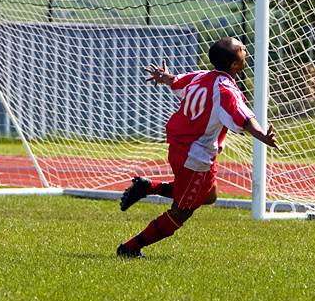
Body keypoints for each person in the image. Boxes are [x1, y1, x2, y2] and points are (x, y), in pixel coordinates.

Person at [117, 37, 280, 258]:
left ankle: (148, 187)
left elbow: (177, 81)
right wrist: (263, 135)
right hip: (195, 156)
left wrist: (165, 77)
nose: (244, 48)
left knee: (209, 195)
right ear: (234, 64)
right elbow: (244, 118)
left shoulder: (202, 75)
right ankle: (129, 248)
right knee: (182, 211)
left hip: (183, 146)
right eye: (241, 48)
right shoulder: (226, 90)